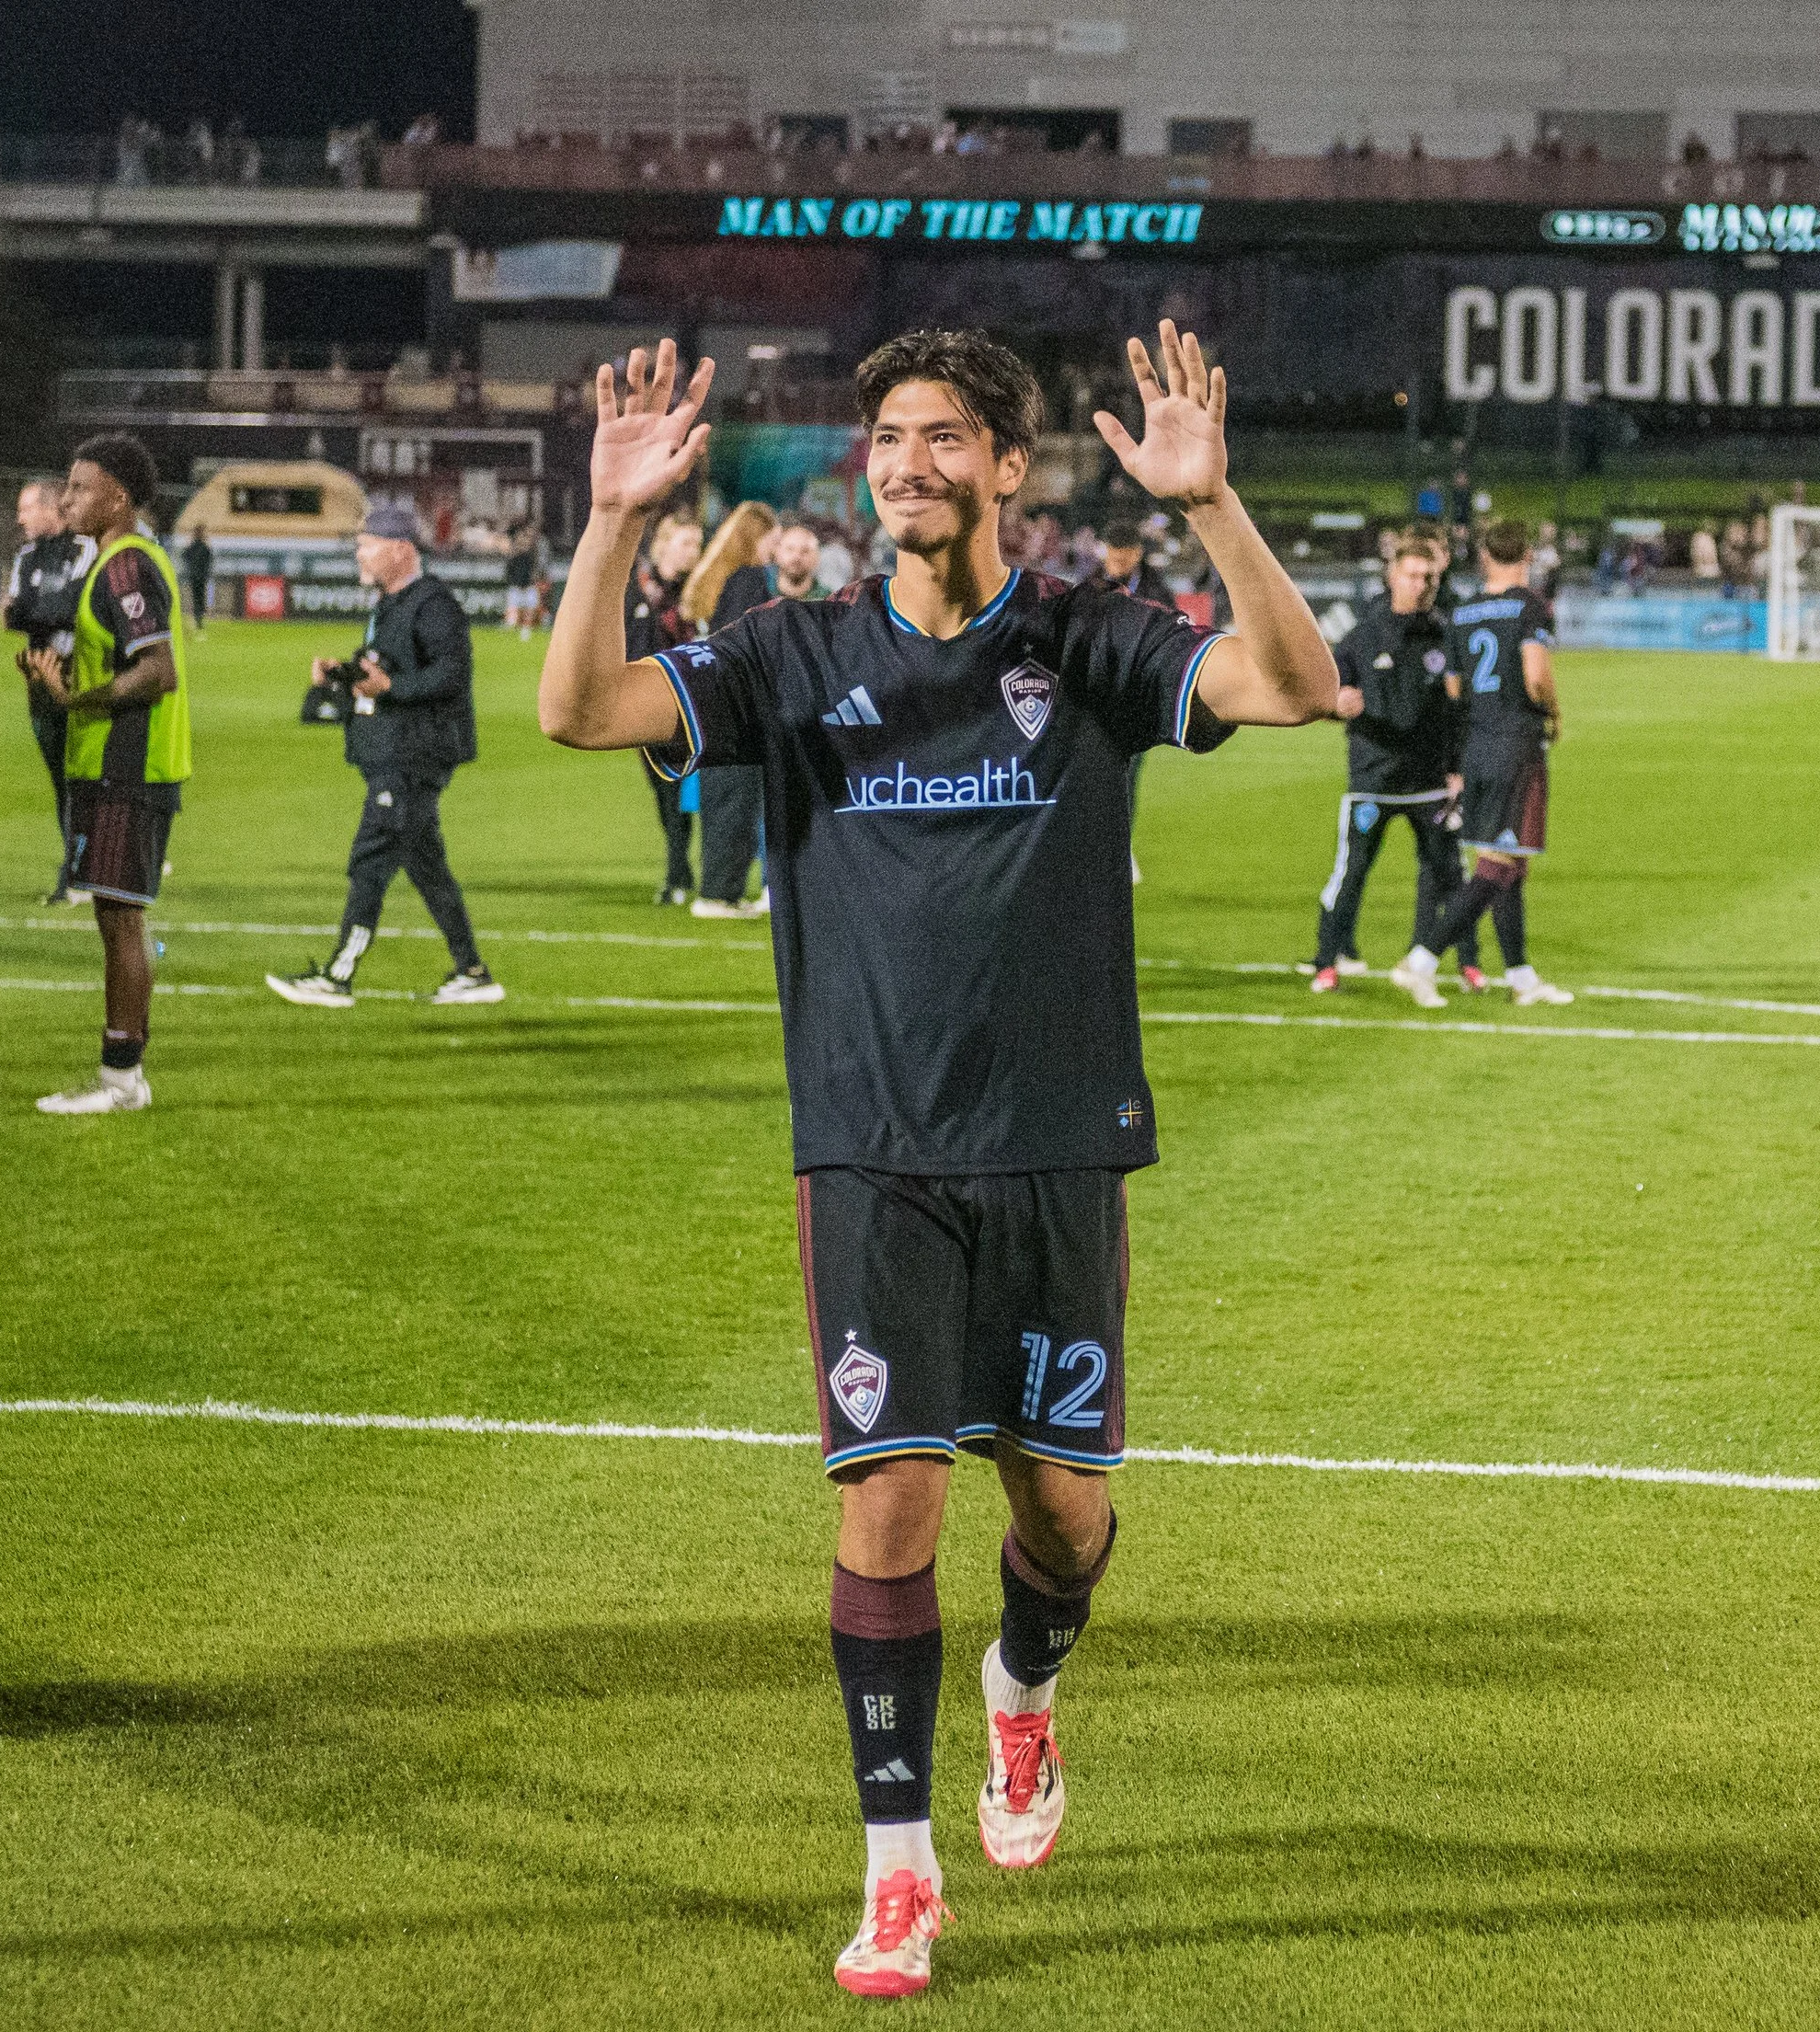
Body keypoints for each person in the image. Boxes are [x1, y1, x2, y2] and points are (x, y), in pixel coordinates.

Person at [538, 322, 1338, 1997]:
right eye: (889, 436)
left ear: (1008, 467)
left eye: (945, 437)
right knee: (889, 1496)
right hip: (873, 1149)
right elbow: (579, 708)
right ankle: (896, 1868)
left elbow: (1293, 682)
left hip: (1055, 1144)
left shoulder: (1089, 641)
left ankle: (1026, 1690)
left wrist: (1215, 503)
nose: (909, 462)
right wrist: (613, 521)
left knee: (1058, 1510)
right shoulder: (789, 650)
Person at [265, 504, 501, 1008]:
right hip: (394, 750)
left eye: (367, 544)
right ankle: (473, 971)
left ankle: (337, 976)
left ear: (401, 550)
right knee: (426, 865)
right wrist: (341, 673)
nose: (359, 552)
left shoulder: (433, 604)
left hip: (415, 754)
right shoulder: (391, 603)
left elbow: (451, 676)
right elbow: (382, 668)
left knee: (371, 859)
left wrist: (390, 686)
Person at [23, 433, 191, 1115]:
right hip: (109, 765)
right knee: (114, 913)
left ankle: (121, 1078)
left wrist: (73, 698)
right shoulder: (112, 563)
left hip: (130, 767)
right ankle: (123, 1068)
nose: (67, 499)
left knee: (122, 918)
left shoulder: (124, 566)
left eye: (79, 487)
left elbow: (157, 670)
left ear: (117, 496)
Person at [1391, 519, 1573, 1009]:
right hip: (1517, 743)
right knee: (1500, 863)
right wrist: (1553, 712)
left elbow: (1454, 690)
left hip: (1477, 744)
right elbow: (1535, 675)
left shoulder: (1464, 613)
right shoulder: (1530, 607)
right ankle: (1423, 959)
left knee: (1508, 863)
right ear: (1528, 555)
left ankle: (1521, 976)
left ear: (1484, 557)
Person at [1309, 530, 1478, 992]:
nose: (1421, 585)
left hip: (1430, 783)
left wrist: (1458, 768)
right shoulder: (1361, 636)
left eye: (1430, 577)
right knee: (1352, 873)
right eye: (1412, 575)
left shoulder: (1448, 634)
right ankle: (1326, 961)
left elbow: (1461, 711)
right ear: (1393, 575)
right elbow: (1333, 693)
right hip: (1373, 777)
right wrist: (1338, 703)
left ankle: (1469, 964)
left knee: (1450, 875)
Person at [696, 513, 830, 918]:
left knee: (800, 809)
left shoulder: (831, 602)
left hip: (805, 722)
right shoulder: (748, 587)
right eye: (790, 548)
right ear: (777, 552)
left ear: (817, 559)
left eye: (806, 550)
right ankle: (721, 891)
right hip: (748, 715)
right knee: (736, 804)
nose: (797, 557)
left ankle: (776, 887)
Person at [4, 476, 98, 903]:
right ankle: (78, 870)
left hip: (78, 678)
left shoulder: (84, 548)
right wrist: (48, 611)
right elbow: (12, 616)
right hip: (40, 681)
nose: (20, 518)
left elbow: (77, 607)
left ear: (49, 509)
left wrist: (38, 611)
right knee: (61, 781)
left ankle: (78, 874)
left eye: (26, 508)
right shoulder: (26, 557)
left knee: (83, 779)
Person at [1090, 521, 1174, 883]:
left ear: (1137, 555)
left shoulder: (1157, 592)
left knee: (1126, 778)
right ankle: (1088, 850)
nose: (1117, 561)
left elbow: (1172, 638)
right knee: (1091, 779)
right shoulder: (1088, 588)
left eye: (1123, 555)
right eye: (1112, 553)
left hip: (1134, 698)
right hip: (1094, 698)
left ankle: (1120, 850)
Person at [625, 511, 703, 903]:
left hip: (696, 703)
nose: (694, 551)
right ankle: (679, 870)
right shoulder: (638, 588)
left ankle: (682, 873)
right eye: (687, 542)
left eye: (697, 544)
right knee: (665, 791)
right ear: (665, 543)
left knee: (687, 790)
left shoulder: (699, 588)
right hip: (649, 704)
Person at [502, 522, 540, 640]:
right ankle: (511, 629)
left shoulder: (532, 555)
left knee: (530, 609)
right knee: (513, 608)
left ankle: (525, 630)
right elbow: (509, 572)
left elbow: (535, 571)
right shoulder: (514, 557)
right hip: (517, 586)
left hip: (529, 586)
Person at [180, 524, 212, 637]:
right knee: (200, 598)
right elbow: (209, 561)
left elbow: (184, 556)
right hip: (201, 577)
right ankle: (199, 620)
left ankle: (198, 619)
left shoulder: (193, 546)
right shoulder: (204, 546)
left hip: (194, 577)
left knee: (196, 598)